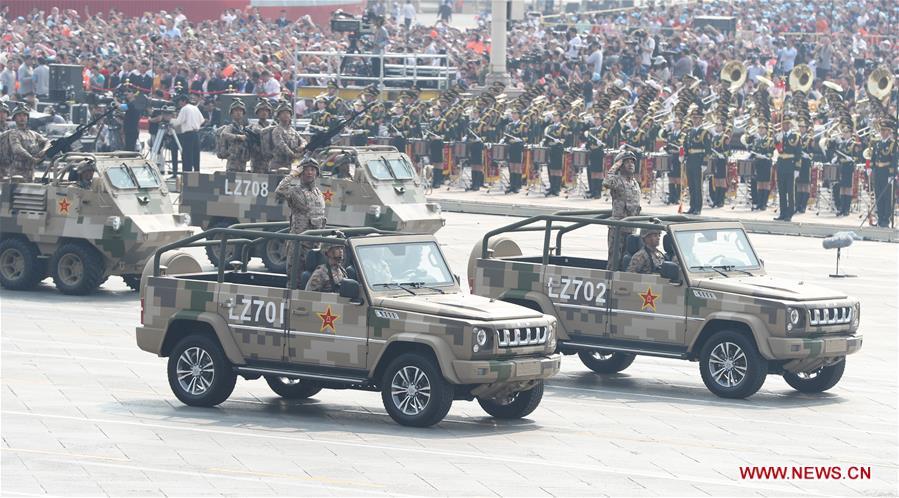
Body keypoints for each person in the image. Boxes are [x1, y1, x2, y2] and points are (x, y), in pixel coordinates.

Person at [276, 158, 326, 281]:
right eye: (306, 170)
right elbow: (280, 190)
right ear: (301, 173)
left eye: (313, 170)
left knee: (312, 278)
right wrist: (293, 174)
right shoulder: (295, 191)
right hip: (299, 244)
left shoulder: (318, 192)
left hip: (315, 243)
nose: (310, 173)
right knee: (295, 278)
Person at [605, 150, 641, 264]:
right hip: (617, 229)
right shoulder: (617, 180)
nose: (631, 165)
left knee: (627, 260)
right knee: (614, 260)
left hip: (631, 228)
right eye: (627, 162)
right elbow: (606, 182)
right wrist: (615, 166)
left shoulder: (634, 183)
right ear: (621, 165)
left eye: (632, 162)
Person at [7, 104, 49, 181]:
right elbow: (17, 148)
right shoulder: (13, 133)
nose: (22, 117)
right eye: (19, 115)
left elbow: (47, 142)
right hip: (17, 174)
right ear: (15, 118)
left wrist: (44, 151)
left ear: (27, 117)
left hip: (30, 172)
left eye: (24, 115)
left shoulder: (33, 134)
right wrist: (32, 158)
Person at [682, 110, 709, 215]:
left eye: (697, 118)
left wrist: (705, 163)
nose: (695, 120)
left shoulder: (704, 132)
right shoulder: (689, 132)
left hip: (699, 160)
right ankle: (692, 207)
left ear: (701, 119)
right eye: (693, 118)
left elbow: (708, 149)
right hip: (690, 160)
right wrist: (683, 156)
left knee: (698, 186)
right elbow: (685, 145)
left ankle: (698, 208)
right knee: (691, 185)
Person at [870, 122, 897, 228]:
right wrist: (870, 168)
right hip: (878, 172)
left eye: (885, 130)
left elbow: (894, 160)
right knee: (878, 195)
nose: (882, 132)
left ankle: (886, 218)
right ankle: (880, 217)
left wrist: (892, 173)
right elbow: (873, 157)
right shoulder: (877, 143)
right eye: (881, 130)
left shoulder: (893, 144)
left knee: (887, 196)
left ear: (889, 131)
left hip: (887, 172)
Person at [774, 118, 800, 221]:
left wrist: (797, 168)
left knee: (790, 191)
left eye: (787, 124)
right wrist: (776, 139)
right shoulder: (779, 136)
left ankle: (790, 213)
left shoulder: (795, 137)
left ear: (790, 125)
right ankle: (782, 213)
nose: (784, 126)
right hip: (781, 165)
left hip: (790, 165)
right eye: (783, 124)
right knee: (782, 191)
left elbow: (798, 153)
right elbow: (775, 148)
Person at [171, 94, 204, 173]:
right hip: (196, 133)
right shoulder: (195, 108)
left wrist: (170, 120)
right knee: (196, 156)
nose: (179, 104)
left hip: (188, 134)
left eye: (180, 102)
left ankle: (187, 174)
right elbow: (202, 120)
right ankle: (197, 173)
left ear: (183, 101)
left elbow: (178, 122)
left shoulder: (184, 109)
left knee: (187, 156)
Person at [270, 101, 306, 170]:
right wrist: (294, 155)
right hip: (277, 164)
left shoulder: (293, 131)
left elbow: (303, 141)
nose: (286, 115)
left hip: (289, 164)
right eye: (283, 113)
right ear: (278, 116)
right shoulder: (277, 130)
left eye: (288, 113)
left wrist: (302, 146)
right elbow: (282, 145)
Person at [217, 99, 251, 172]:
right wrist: (238, 137)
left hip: (242, 162)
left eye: (240, 111)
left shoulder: (244, 128)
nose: (238, 113)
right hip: (233, 163)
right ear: (231, 113)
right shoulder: (231, 127)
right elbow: (224, 134)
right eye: (236, 111)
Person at [249, 100, 274, 173]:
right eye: (261, 111)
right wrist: (272, 128)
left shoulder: (272, 125)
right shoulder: (254, 126)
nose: (264, 113)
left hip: (270, 159)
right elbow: (260, 132)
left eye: (266, 111)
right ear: (257, 113)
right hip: (257, 160)